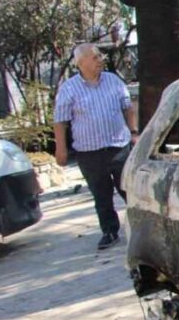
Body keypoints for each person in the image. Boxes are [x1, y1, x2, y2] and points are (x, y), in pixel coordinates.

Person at [54, 43, 138, 250]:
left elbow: (128, 108)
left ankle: (141, 227)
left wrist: (134, 132)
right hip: (89, 153)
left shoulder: (113, 81)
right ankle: (109, 231)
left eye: (100, 56)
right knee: (101, 194)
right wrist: (61, 148)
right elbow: (60, 121)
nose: (100, 60)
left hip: (118, 146)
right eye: (95, 57)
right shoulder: (69, 88)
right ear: (80, 63)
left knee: (130, 189)